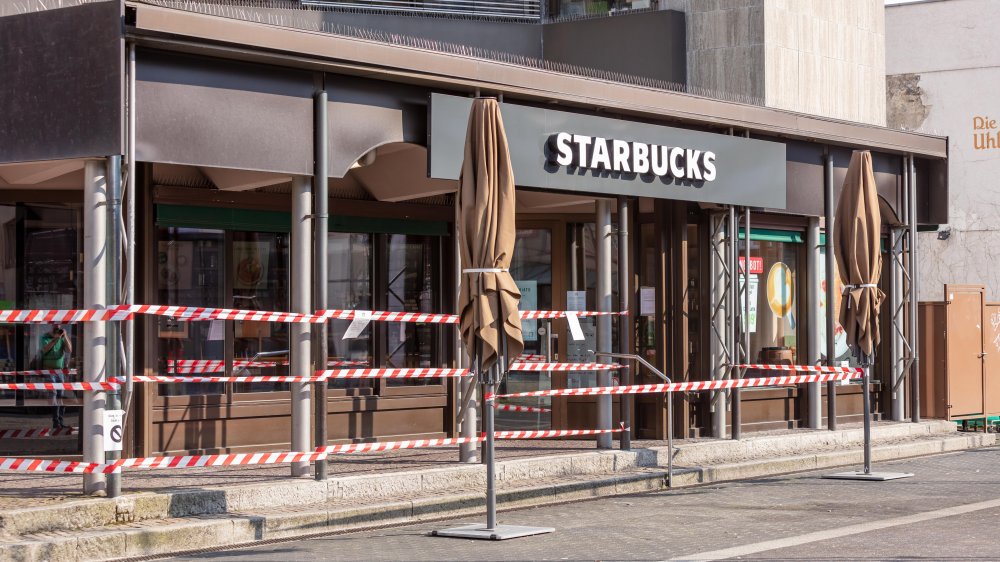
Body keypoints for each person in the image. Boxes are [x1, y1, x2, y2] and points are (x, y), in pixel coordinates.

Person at [40, 325, 72, 429]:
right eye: (55, 328)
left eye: (59, 328)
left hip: (59, 371)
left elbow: (69, 350)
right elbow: (45, 350)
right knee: (53, 393)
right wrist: (55, 339)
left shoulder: (62, 338)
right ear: (51, 329)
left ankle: (60, 421)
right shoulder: (45, 337)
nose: (57, 331)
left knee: (61, 395)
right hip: (49, 370)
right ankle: (55, 421)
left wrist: (65, 336)